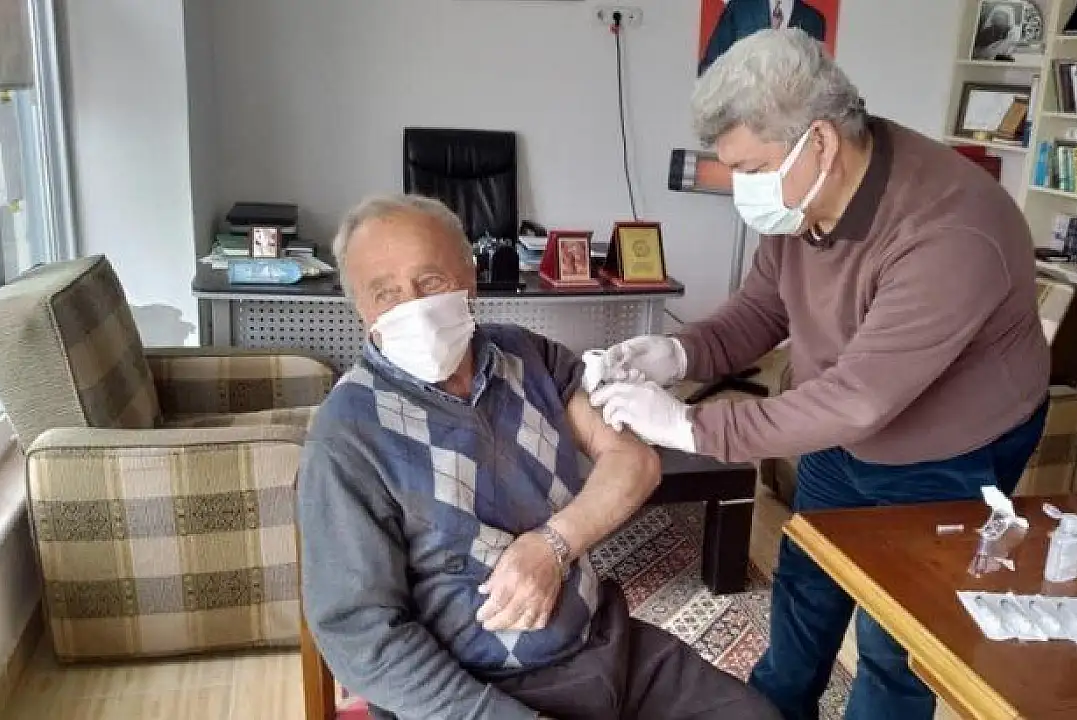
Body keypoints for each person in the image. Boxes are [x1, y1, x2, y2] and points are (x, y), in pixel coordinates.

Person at [588, 30, 1050, 720]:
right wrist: (677, 354)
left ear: (822, 143)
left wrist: (688, 425)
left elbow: (859, 400)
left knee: (897, 641)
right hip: (837, 423)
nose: (740, 187)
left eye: (750, 167)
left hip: (949, 448)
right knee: (807, 582)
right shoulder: (802, 195)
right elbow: (761, 310)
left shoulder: (953, 228)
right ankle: (772, 709)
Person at [297, 194, 780, 720]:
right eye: (385, 293)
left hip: (603, 647)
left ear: (470, 278)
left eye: (430, 281)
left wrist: (553, 546)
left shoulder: (528, 356)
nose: (412, 307)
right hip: (474, 694)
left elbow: (633, 463)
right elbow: (362, 636)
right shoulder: (347, 436)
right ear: (362, 311)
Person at [700, 0, 826, 75]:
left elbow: (817, 80)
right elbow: (711, 66)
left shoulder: (814, 21)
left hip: (792, 109)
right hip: (743, 107)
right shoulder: (740, 8)